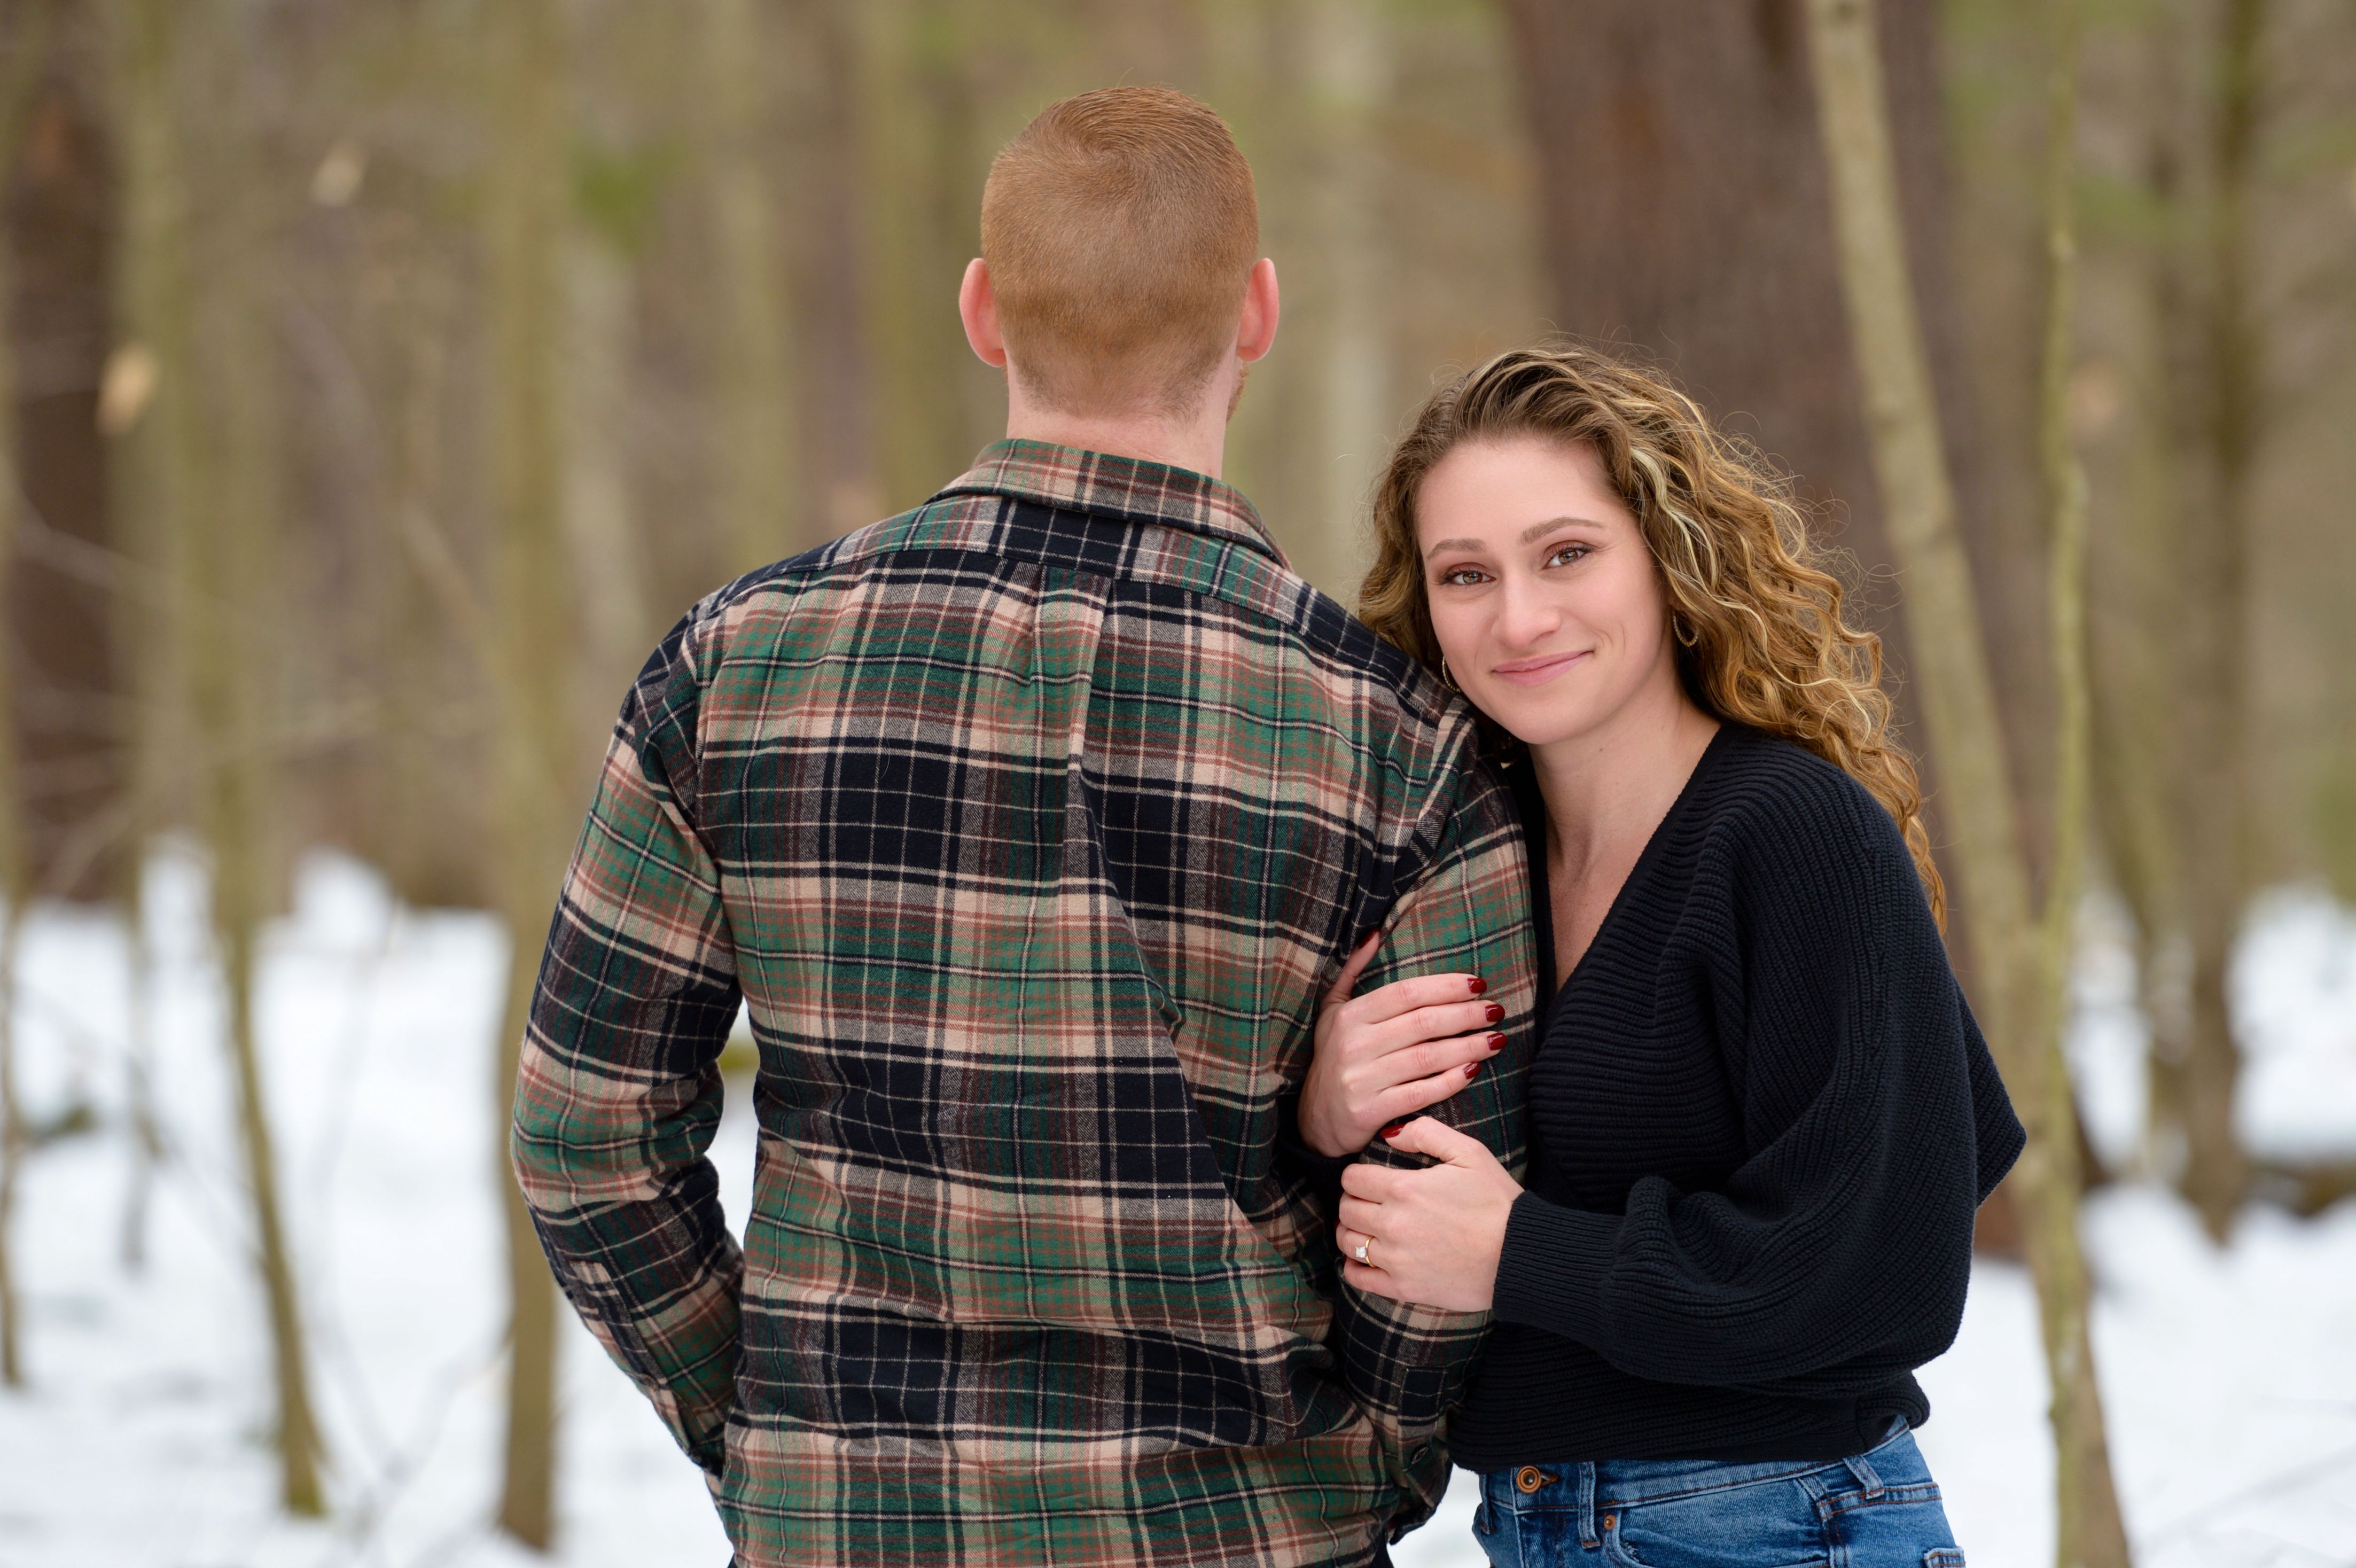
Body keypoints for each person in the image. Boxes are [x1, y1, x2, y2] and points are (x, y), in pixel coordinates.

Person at [510, 88, 1537, 1567]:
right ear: (1257, 312)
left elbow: (582, 1136)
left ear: (983, 311)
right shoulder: (1401, 742)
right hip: (1245, 1529)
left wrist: (768, 1441)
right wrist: (1365, 1465)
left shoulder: (732, 670)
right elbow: (1447, 1191)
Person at [1298, 345, 2025, 1567]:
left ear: (1670, 560)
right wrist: (1323, 1112)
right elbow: (1399, 1245)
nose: (1519, 616)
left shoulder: (1792, 834)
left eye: (1566, 553)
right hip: (1538, 1523)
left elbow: (1884, 1265)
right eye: (1465, 574)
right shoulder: (1470, 862)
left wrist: (1522, 1250)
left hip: (1781, 1523)